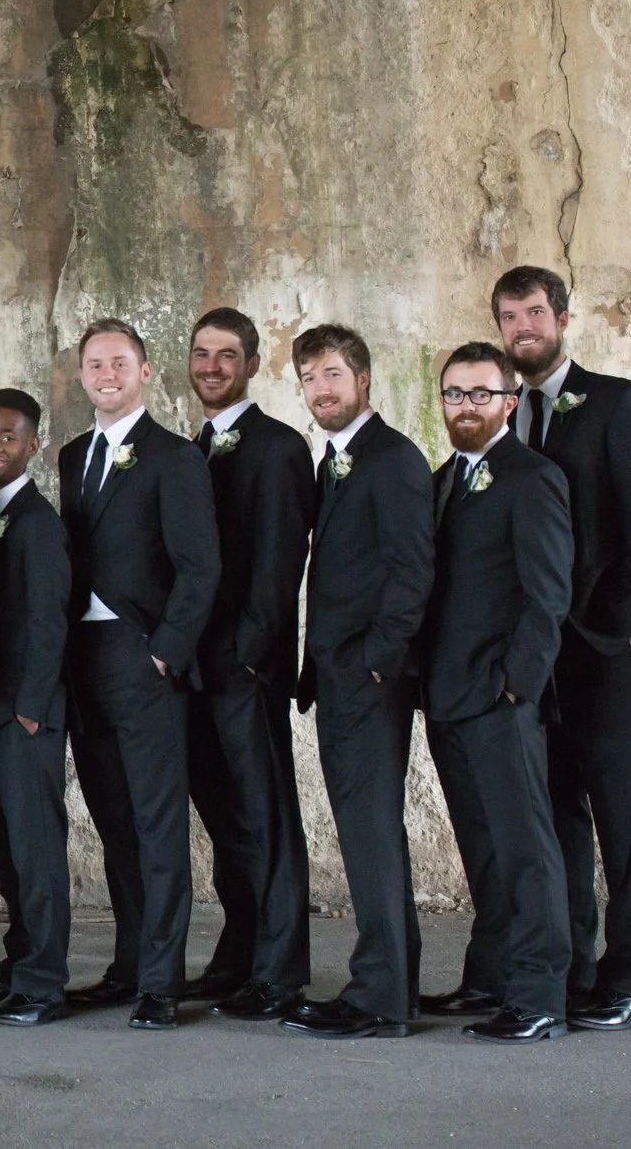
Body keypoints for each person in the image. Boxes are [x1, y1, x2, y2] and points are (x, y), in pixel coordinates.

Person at [490, 266, 631, 1030]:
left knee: (622, 815)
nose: (523, 325)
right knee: (557, 814)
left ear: (562, 316)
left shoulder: (618, 403)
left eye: (534, 311)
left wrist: (624, 628)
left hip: (597, 644)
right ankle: (576, 967)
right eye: (509, 314)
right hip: (532, 651)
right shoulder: (499, 411)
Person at [57, 320, 220, 1031]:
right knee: (113, 821)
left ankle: (161, 980)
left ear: (145, 372)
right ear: (82, 374)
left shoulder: (175, 457)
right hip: (82, 661)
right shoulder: (71, 457)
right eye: (95, 363)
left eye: (119, 362)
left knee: (157, 826)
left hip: (141, 656)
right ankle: (128, 964)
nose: (107, 372)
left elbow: (200, 566)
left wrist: (165, 651)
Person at [280, 324, 433, 1040]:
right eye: (310, 378)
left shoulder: (394, 459)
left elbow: (411, 571)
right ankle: (393, 981)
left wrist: (377, 658)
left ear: (363, 379)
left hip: (370, 677)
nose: (322, 389)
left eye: (334, 374)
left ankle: (380, 995)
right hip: (341, 674)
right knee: (367, 831)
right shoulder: (334, 461)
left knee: (370, 829)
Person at [419, 343, 575, 1043]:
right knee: (481, 849)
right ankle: (491, 976)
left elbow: (547, 597)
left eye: (481, 394)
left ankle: (540, 992)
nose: (466, 406)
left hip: (500, 698)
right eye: (455, 394)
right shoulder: (439, 479)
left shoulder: (532, 476)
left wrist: (518, 687)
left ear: (509, 402)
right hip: (447, 695)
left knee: (525, 848)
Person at [180, 309, 317, 1021]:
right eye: (202, 354)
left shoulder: (278, 447)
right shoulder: (190, 447)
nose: (211, 366)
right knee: (225, 819)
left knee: (266, 819)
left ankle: (281, 970)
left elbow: (279, 563)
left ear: (252, 364)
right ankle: (239, 952)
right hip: (193, 669)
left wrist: (248, 655)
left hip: (245, 668)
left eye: (226, 355)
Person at [0, 389, 72, 1027]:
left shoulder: (39, 523)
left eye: (8, 437)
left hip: (27, 714)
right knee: (5, 851)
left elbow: (50, 621)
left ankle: (45, 982)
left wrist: (31, 708)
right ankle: (19, 961)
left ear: (33, 444)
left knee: (35, 851)